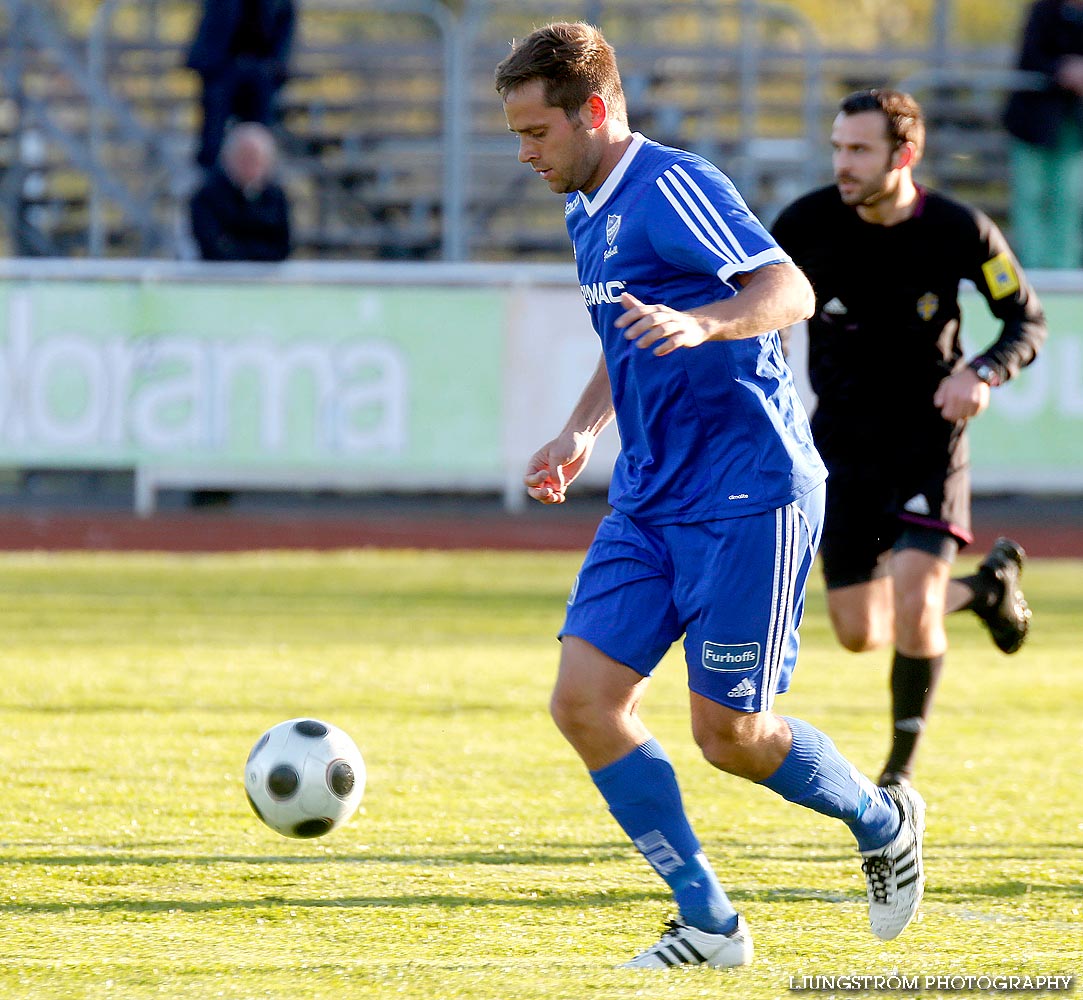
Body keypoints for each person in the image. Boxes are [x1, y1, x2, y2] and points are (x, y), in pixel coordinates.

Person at [495, 24, 925, 970]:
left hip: (749, 492)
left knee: (729, 736)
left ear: (593, 112)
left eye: (535, 132)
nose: (524, 153)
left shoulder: (671, 186)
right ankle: (710, 921)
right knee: (584, 702)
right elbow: (623, 340)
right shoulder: (584, 209)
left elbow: (790, 289)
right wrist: (580, 430)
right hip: (647, 499)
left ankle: (880, 818)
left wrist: (701, 323)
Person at [772, 89, 1046, 789]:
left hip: (929, 438)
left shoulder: (959, 229)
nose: (843, 163)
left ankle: (896, 778)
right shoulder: (803, 223)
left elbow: (1025, 320)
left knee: (916, 605)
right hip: (837, 443)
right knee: (859, 630)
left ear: (905, 155)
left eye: (858, 150)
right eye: (837, 148)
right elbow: (754, 295)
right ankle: (984, 593)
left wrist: (981, 372)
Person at [1002, 0, 1083, 269]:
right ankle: (1033, 266)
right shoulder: (1044, 10)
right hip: (1033, 126)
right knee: (1031, 194)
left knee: (1069, 198)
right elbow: (1029, 57)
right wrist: (1062, 70)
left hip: (1074, 126)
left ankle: (1065, 267)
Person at [185, 0, 297, 171]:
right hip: (222, 65)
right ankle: (208, 175)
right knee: (213, 134)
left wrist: (276, 66)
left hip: (261, 67)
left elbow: (285, 22)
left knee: (259, 131)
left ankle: (257, 175)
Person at [190, 122, 291, 262]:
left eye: (256, 159)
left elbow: (281, 247)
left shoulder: (276, 196)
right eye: (244, 158)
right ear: (228, 158)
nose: (250, 166)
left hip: (266, 278)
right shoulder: (207, 196)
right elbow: (212, 244)